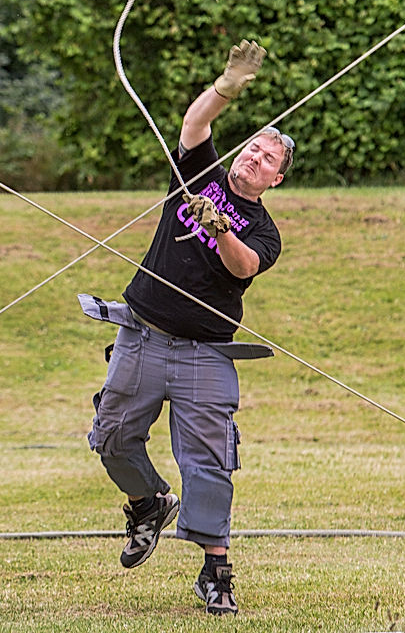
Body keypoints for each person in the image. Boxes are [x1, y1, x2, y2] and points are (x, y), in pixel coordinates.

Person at [79, 39, 294, 616]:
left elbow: (243, 265)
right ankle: (147, 502)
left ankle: (216, 572)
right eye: (252, 148)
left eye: (268, 159)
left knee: (209, 461)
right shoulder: (200, 174)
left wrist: (221, 225)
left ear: (276, 179)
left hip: (206, 354)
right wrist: (226, 88)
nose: (254, 158)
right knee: (112, 438)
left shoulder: (265, 231)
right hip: (141, 335)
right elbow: (195, 122)